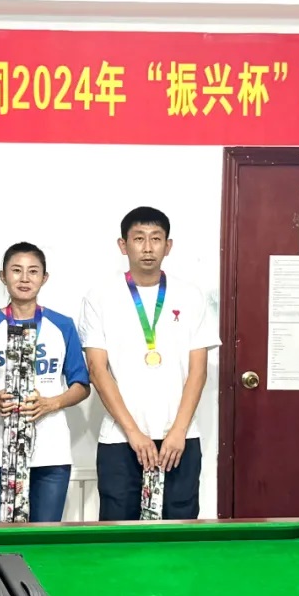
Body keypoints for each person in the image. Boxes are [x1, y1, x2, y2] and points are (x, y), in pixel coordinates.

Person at [77, 206, 220, 521]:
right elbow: (98, 372)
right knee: (118, 531)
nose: (147, 247)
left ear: (168, 246)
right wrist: (134, 433)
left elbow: (198, 372)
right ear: (123, 245)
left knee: (179, 529)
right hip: (120, 437)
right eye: (139, 238)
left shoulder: (191, 296)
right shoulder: (99, 297)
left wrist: (178, 431)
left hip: (179, 438)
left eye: (156, 239)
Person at [0, 242, 90, 523]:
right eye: (17, 270)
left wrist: (52, 403)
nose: (24, 278)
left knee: (45, 536)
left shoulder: (62, 325)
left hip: (51, 452)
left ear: (44, 278)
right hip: (0, 451)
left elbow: (82, 385)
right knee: (4, 537)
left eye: (33, 271)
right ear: (3, 276)